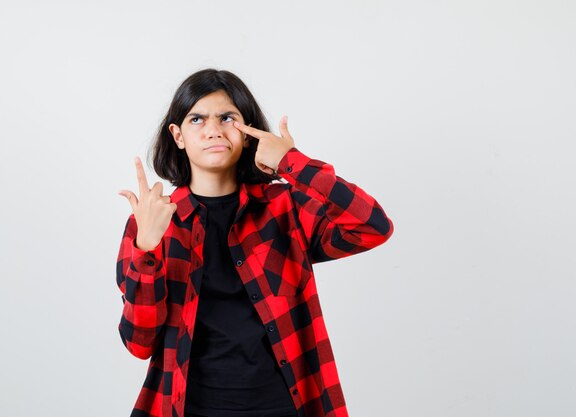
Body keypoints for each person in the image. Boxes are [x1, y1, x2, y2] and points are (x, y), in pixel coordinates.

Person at [115, 68, 394, 417]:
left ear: (247, 133)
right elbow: (140, 344)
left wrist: (291, 163)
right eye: (197, 119)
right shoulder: (151, 223)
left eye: (227, 117)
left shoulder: (284, 208)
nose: (213, 130)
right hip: (189, 407)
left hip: (282, 406)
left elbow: (372, 225)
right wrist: (147, 248)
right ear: (178, 135)